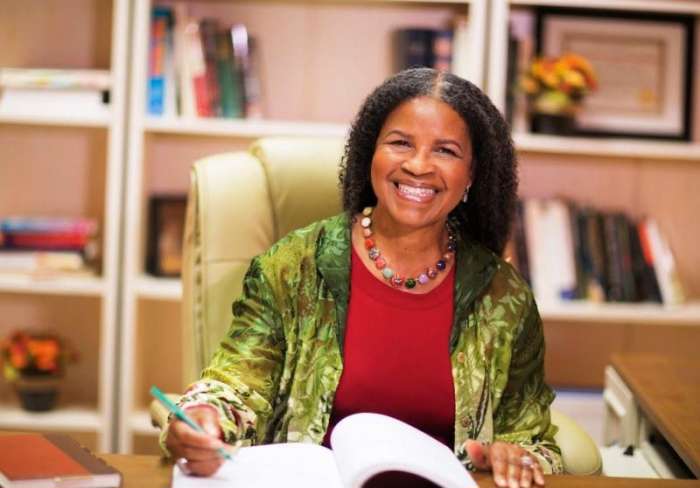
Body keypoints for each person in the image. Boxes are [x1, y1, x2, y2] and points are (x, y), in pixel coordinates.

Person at [163, 68, 563, 488]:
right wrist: (204, 417)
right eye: (400, 143)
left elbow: (533, 439)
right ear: (371, 151)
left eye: (445, 150)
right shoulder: (293, 267)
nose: (418, 165)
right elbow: (238, 384)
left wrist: (515, 455)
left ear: (472, 174)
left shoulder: (503, 296)